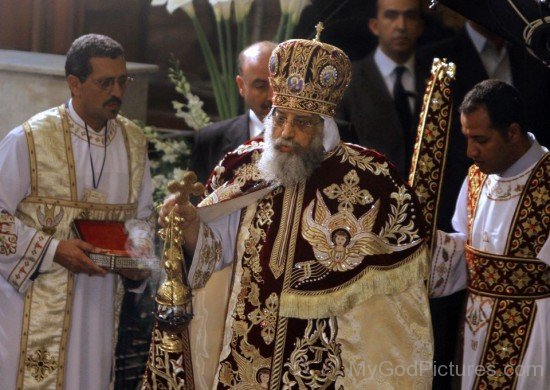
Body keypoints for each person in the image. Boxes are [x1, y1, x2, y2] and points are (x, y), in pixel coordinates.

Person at [148, 30, 433, 389]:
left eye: (302, 123)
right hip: (242, 353)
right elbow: (213, 254)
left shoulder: (369, 181)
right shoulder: (244, 166)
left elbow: (388, 309)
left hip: (320, 364)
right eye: (280, 118)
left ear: (324, 125)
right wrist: (189, 225)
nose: (285, 132)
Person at [0, 34, 154, 389]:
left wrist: (139, 260)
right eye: (105, 83)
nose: (117, 91)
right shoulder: (30, 139)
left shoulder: (133, 141)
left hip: (99, 305)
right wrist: (54, 249)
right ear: (75, 84)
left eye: (122, 80)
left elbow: (143, 217)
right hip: (35, 301)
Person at [429, 80, 549, 389]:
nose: (471, 152)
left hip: (536, 338)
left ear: (512, 132)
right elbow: (464, 252)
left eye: (480, 139)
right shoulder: (476, 179)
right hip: (475, 333)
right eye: (467, 138)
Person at [337, 0, 427, 179]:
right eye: (391, 16)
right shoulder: (348, 80)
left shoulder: (434, 78)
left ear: (420, 26)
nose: (401, 26)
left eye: (409, 16)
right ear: (374, 26)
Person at [189, 41, 277, 184]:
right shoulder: (210, 141)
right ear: (241, 86)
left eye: (279, 84)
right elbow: (196, 202)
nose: (272, 96)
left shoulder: (312, 138)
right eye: (261, 86)